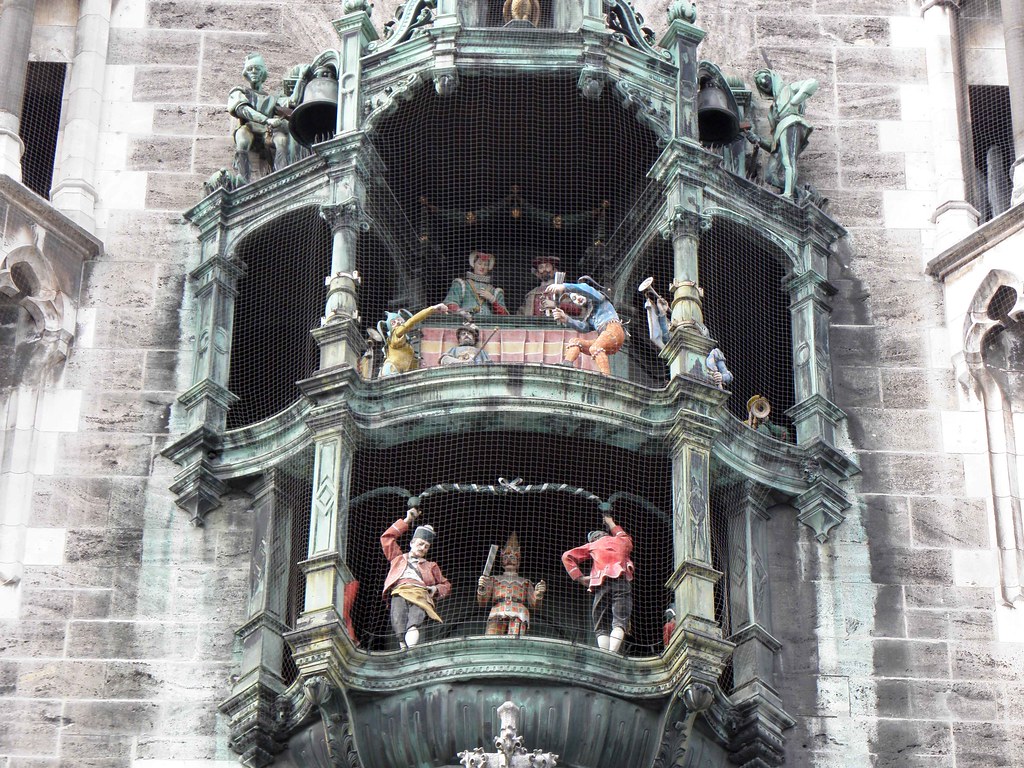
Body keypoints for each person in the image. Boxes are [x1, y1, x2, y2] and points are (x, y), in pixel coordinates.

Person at [561, 514, 634, 653]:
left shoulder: (593, 545)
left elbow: (567, 556)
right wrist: (610, 521)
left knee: (600, 624)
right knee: (620, 620)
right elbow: (623, 535)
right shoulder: (621, 541)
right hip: (621, 582)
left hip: (601, 584)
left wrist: (580, 577)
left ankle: (605, 654)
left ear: (593, 538)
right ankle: (613, 652)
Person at [380, 507, 451, 649]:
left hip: (420, 592)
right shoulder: (398, 558)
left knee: (414, 620)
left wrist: (434, 589)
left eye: (426, 546)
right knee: (398, 618)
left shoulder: (431, 565)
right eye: (420, 544)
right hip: (400, 591)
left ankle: (411, 647)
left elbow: (445, 584)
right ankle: (402, 645)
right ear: (412, 543)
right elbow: (387, 538)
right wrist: (407, 520)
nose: (423, 548)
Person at [743, 68, 819, 198]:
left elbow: (812, 83)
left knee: (788, 160)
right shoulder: (773, 112)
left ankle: (788, 194)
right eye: (760, 82)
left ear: (773, 77)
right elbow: (774, 147)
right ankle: (799, 193)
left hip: (791, 123)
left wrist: (796, 100)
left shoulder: (788, 89)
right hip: (782, 130)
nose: (762, 81)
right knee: (770, 176)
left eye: (765, 77)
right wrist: (759, 140)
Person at [227, 53, 301, 182]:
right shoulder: (240, 91)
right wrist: (267, 120)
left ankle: (282, 176)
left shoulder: (272, 98)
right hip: (249, 127)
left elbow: (292, 102)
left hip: (268, 131)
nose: (254, 72)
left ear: (263, 73)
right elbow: (242, 110)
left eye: (257, 68)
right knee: (242, 140)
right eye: (250, 69)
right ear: (246, 73)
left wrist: (301, 79)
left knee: (282, 141)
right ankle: (243, 178)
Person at [546, 276, 625, 376]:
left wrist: (564, 286)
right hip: (606, 337)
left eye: (578, 295)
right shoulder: (590, 314)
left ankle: (606, 377)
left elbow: (586, 289)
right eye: (573, 299)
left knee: (595, 348)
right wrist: (566, 319)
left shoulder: (599, 298)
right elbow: (584, 327)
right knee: (575, 342)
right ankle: (567, 364)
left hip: (613, 330)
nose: (577, 299)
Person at [477, 533, 546, 636]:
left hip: (519, 611)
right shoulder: (493, 579)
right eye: (505, 557)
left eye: (513, 557)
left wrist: (538, 594)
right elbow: (482, 602)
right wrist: (481, 589)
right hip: (498, 609)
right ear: (501, 561)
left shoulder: (525, 582)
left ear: (518, 561)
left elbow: (535, 606)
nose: (509, 559)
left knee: (515, 640)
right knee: (491, 637)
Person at [378, 303, 450, 377]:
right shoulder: (396, 333)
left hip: (401, 373)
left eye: (399, 319)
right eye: (393, 322)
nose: (398, 322)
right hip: (391, 370)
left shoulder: (406, 344)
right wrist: (432, 308)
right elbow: (412, 321)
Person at [444, 251, 509, 316]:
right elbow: (449, 304)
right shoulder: (461, 284)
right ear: (473, 264)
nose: (482, 267)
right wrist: (461, 312)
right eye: (479, 263)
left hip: (488, 324)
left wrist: (492, 299)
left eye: (486, 265)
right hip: (465, 322)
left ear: (489, 268)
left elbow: (504, 316)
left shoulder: (495, 291)